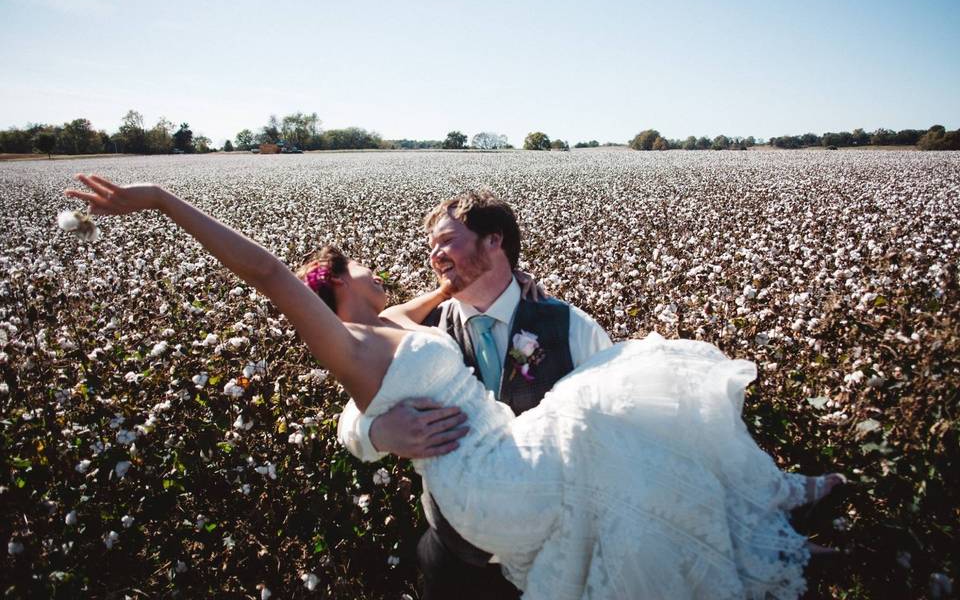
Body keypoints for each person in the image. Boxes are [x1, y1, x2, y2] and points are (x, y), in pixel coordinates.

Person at [65, 175, 844, 600]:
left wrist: (480, 278)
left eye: (445, 245)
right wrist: (163, 200)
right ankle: (775, 502)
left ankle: (769, 505)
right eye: (423, 250)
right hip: (473, 525)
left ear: (492, 245)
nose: (427, 258)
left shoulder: (492, 321)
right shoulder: (364, 340)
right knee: (616, 410)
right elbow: (274, 277)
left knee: (624, 404)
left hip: (536, 513)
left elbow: (446, 292)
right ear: (336, 289)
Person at [336, 191, 612, 599]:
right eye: (431, 247)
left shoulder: (571, 327)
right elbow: (350, 420)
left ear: (494, 241)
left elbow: (615, 429)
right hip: (454, 563)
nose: (435, 255)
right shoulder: (418, 334)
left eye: (447, 240)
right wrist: (378, 432)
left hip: (556, 561)